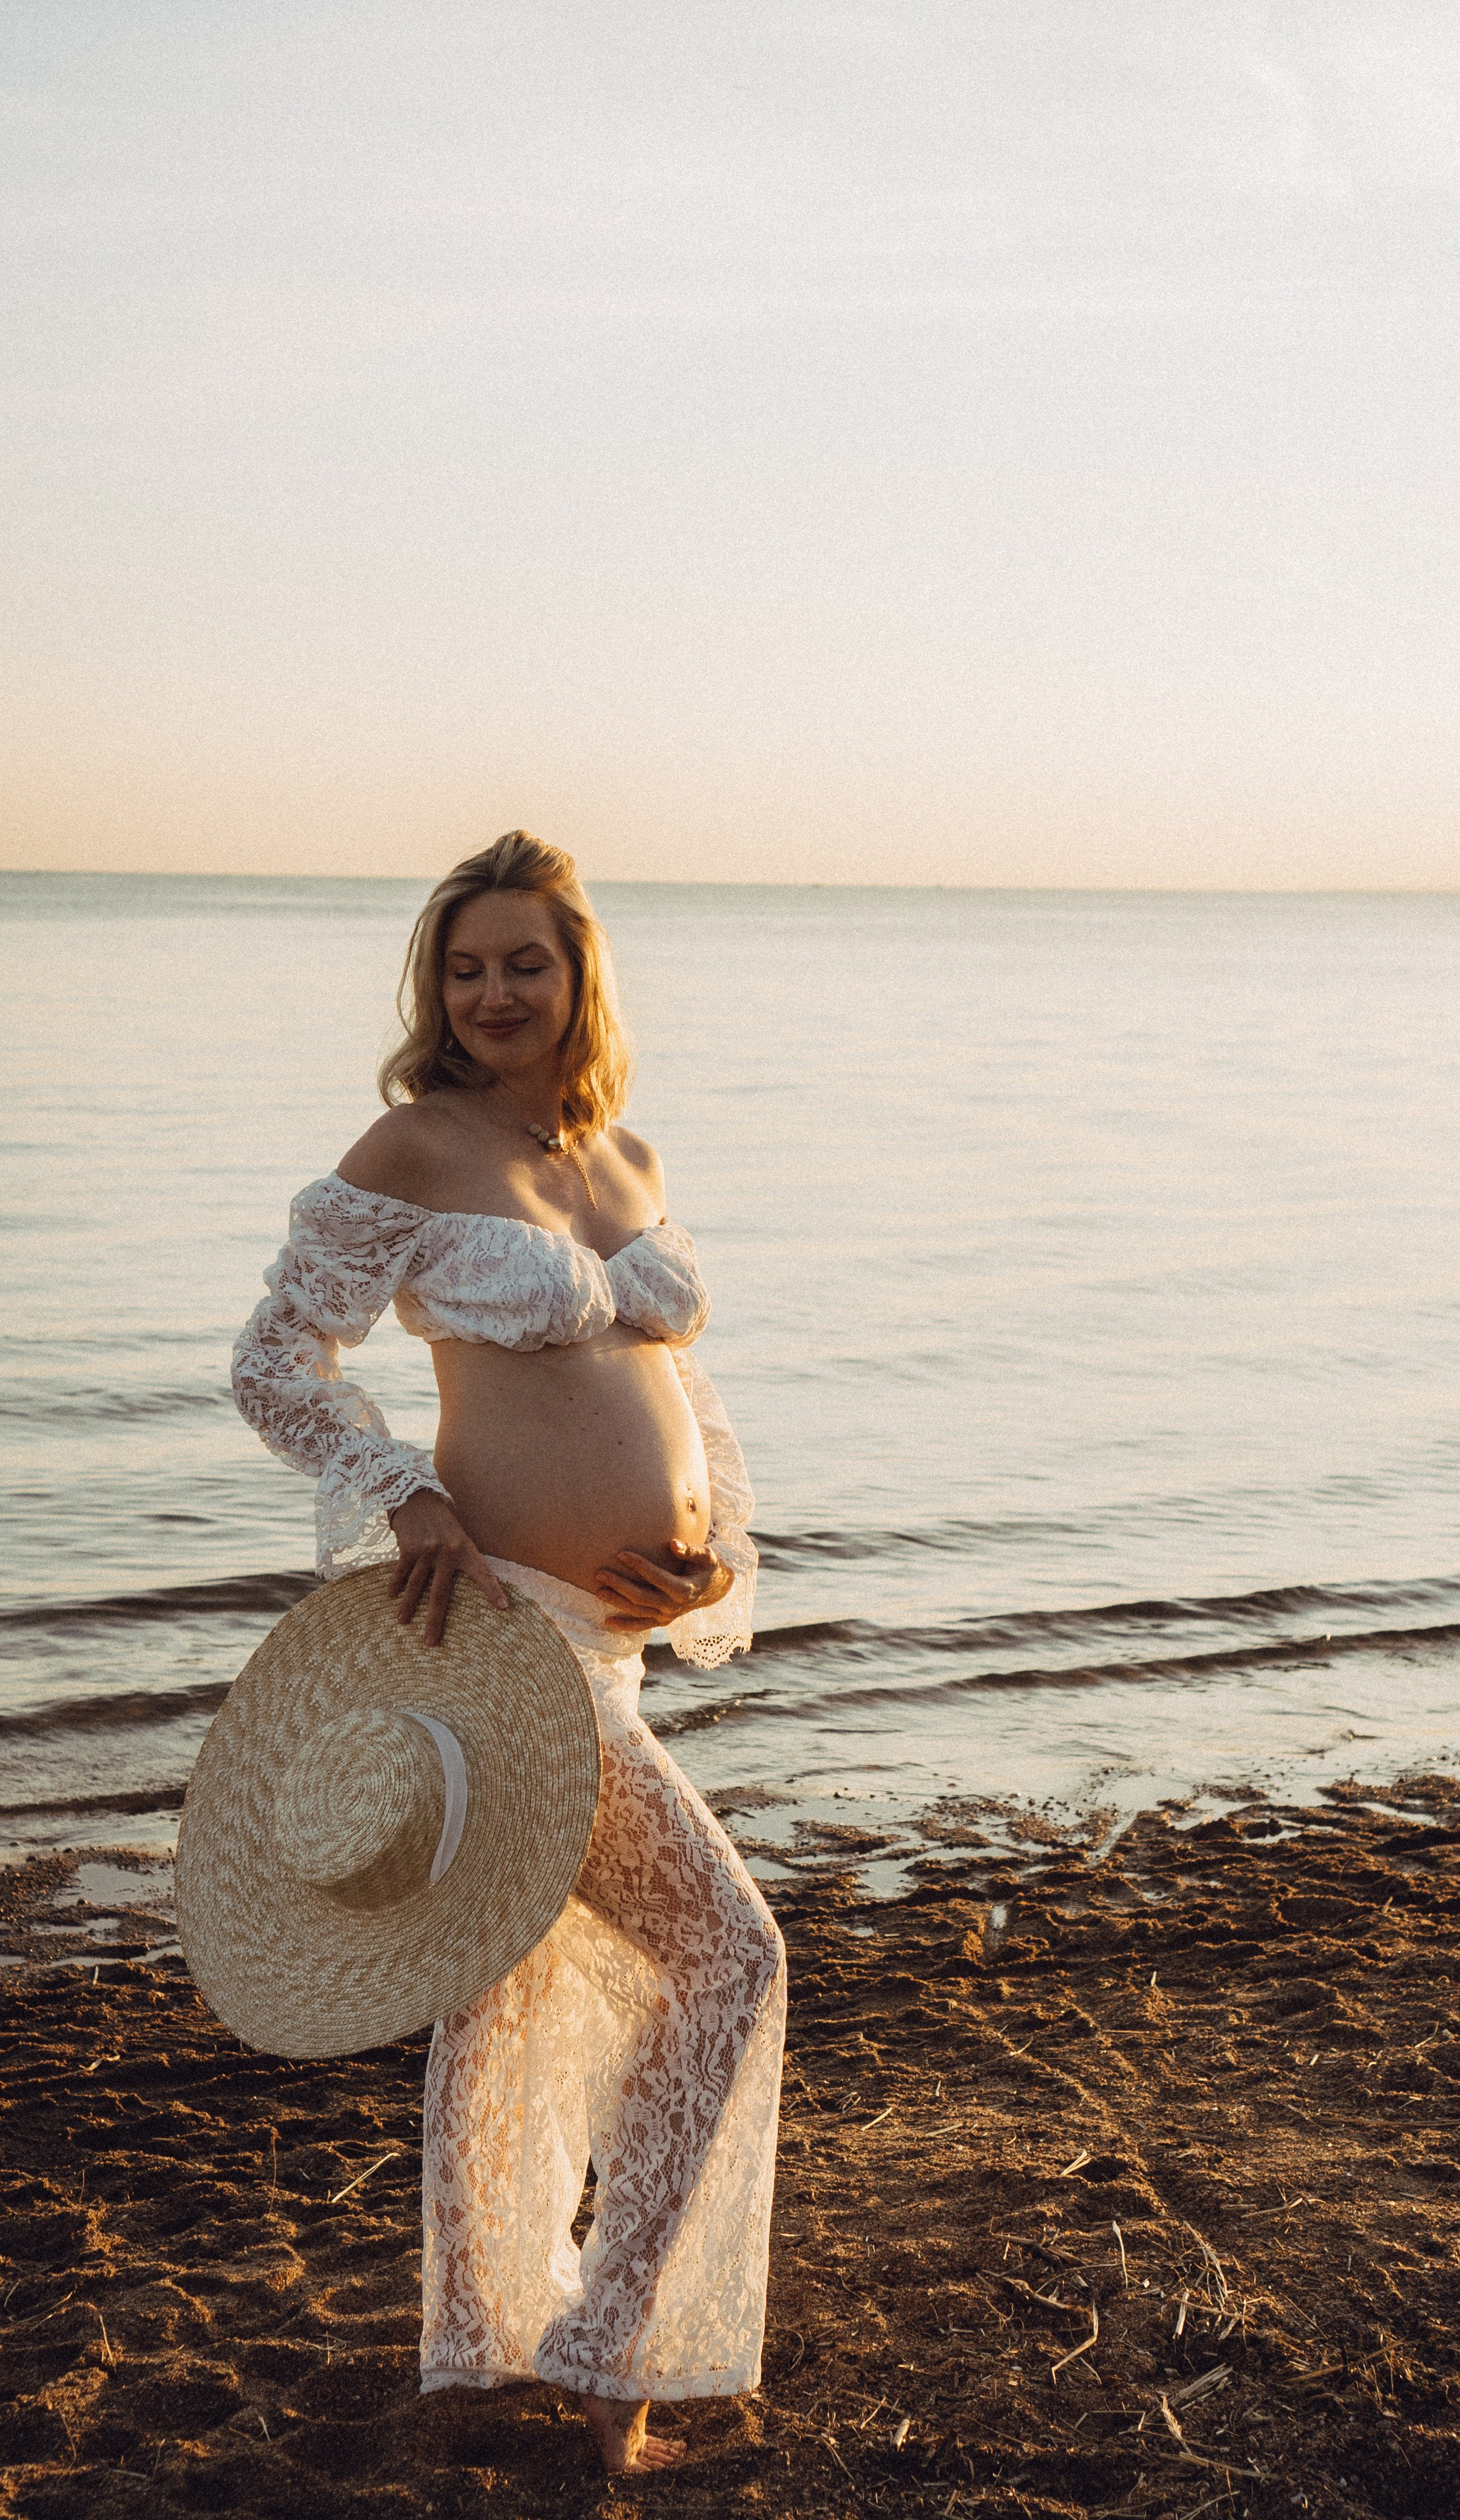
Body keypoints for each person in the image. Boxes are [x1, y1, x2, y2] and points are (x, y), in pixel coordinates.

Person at [230, 830, 785, 2474]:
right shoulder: (412, 1147)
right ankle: (615, 2369)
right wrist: (402, 1495)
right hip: (500, 1642)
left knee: (516, 1980)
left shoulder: (625, 1160)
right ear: (436, 986)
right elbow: (275, 1363)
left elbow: (686, 1393)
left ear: (576, 973)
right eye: (464, 967)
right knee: (732, 1958)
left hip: (611, 1640)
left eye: (522, 963)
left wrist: (707, 1556)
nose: (491, 993)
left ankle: (483, 2349)